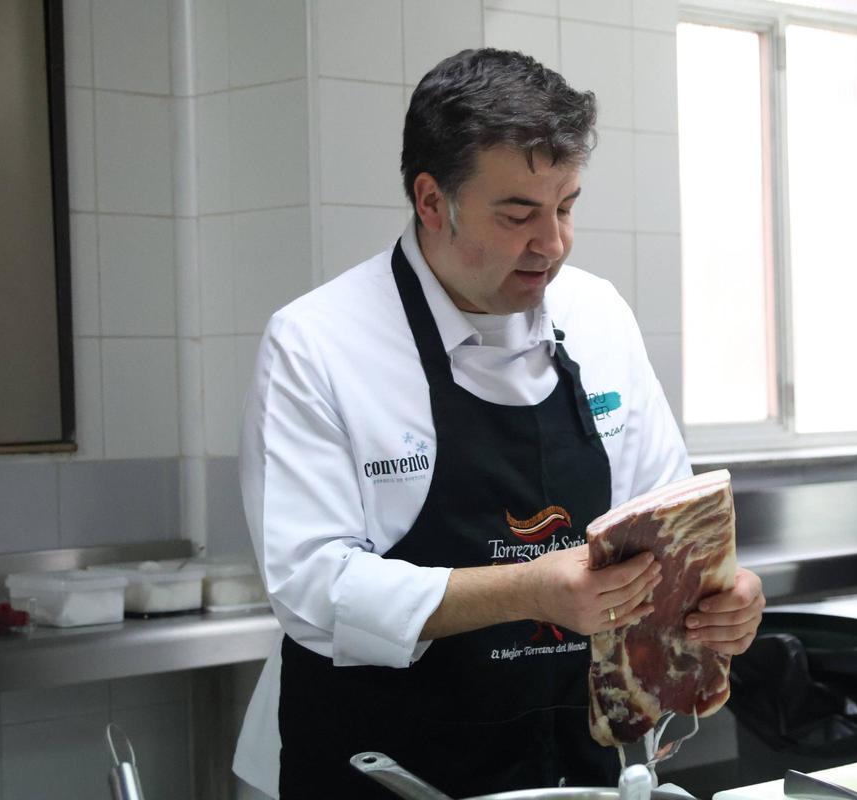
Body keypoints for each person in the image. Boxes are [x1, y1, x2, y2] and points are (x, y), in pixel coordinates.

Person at [232, 48, 765, 799]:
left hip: (577, 763)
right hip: (386, 769)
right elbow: (314, 589)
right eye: (518, 215)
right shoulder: (318, 342)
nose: (552, 244)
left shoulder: (598, 315)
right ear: (431, 201)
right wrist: (527, 590)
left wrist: (718, 596)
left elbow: (669, 517)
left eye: (566, 207)